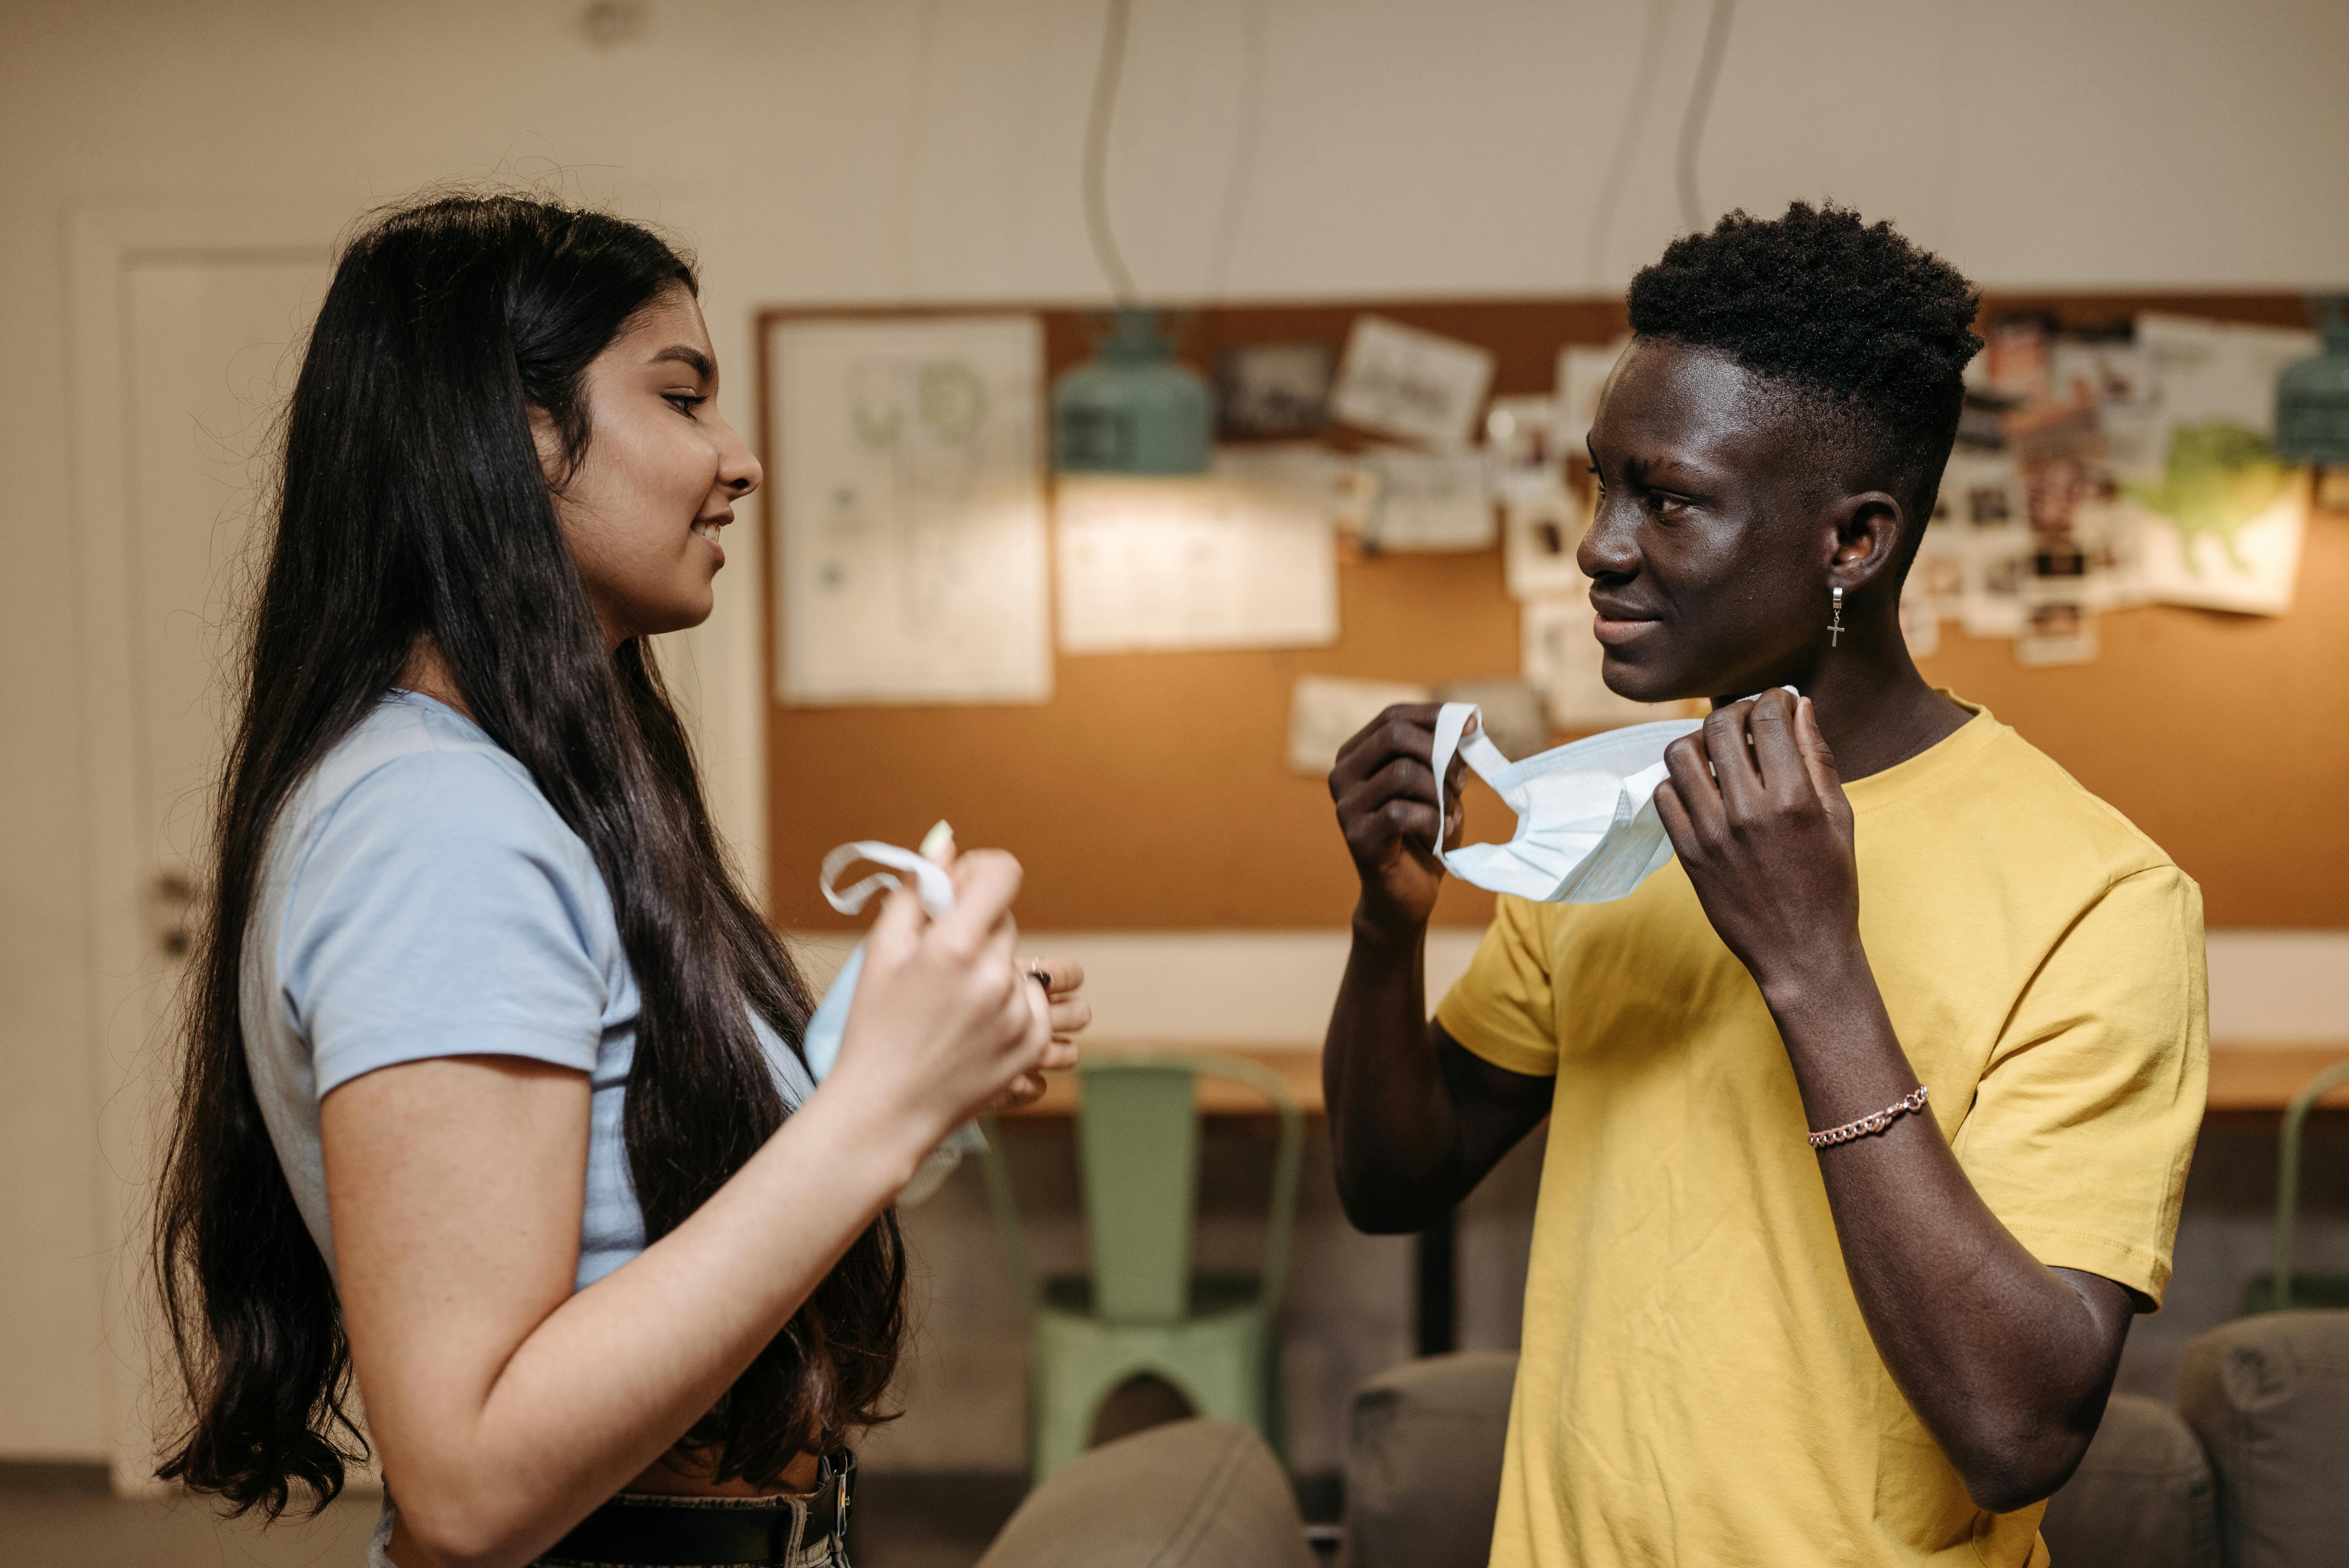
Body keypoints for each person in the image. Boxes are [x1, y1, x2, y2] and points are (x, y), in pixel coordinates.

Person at [152, 192, 1089, 1568]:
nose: (742, 458)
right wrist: (878, 1110)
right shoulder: (437, 826)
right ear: (518, 436)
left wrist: (910, 1071)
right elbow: (468, 1485)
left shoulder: (507, 783)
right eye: (685, 396)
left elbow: (642, 1230)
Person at [1323, 203, 2206, 1568]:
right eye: (1601, 484)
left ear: (1853, 540)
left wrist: (1813, 962)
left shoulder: (2104, 897)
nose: (1600, 548)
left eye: (1668, 499)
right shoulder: (1617, 814)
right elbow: (1397, 1175)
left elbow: (2019, 1426)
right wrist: (1390, 931)